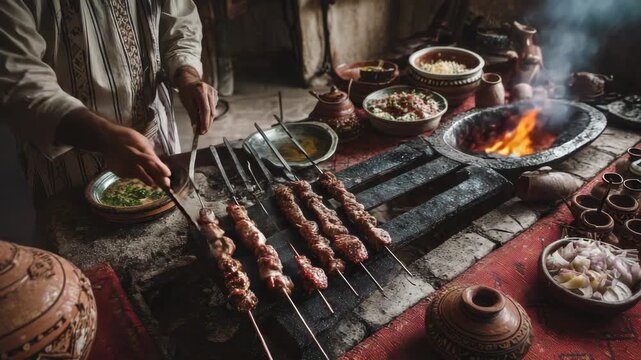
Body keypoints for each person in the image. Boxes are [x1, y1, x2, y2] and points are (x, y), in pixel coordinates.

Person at [0, 0, 217, 201]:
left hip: (157, 134)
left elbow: (180, 24)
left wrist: (187, 77)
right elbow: (19, 83)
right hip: (69, 163)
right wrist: (107, 139)